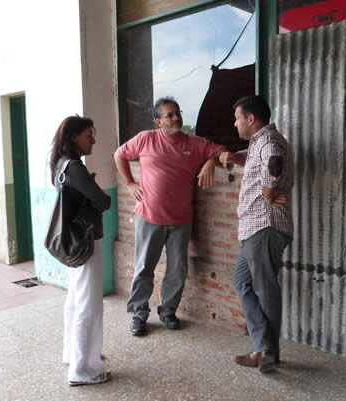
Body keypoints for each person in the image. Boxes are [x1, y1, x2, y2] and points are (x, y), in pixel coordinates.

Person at [114, 97, 226, 336]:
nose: (176, 118)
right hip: (149, 216)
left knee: (177, 268)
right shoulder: (146, 138)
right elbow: (119, 155)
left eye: (178, 113)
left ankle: (168, 311)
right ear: (158, 122)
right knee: (144, 268)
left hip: (181, 220)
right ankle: (139, 313)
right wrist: (130, 183)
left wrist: (210, 163)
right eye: (170, 115)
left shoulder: (194, 143)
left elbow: (221, 151)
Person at [219, 95, 294, 373]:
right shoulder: (259, 142)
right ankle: (263, 346)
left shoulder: (268, 142)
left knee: (264, 290)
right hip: (255, 229)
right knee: (243, 283)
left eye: (237, 117)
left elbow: (273, 164)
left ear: (251, 119)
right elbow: (263, 163)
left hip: (264, 227)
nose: (234, 122)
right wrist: (236, 158)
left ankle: (267, 351)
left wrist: (267, 192)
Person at [50, 115, 112, 386]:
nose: (94, 139)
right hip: (86, 242)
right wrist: (97, 194)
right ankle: (83, 370)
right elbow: (103, 201)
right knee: (89, 305)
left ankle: (74, 355)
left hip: (74, 242)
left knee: (76, 301)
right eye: (89, 134)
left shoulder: (61, 164)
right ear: (74, 137)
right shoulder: (75, 167)